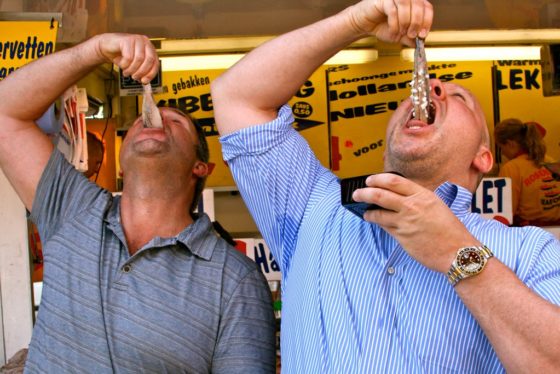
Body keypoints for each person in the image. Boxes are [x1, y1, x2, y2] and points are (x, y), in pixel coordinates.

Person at [210, 0, 560, 372]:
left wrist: (458, 252)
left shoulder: (529, 251)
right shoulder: (312, 207)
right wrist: (353, 22)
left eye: (459, 98)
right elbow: (238, 96)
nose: (433, 88)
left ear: (483, 157)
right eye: (424, 90)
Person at [0, 34, 276, 373]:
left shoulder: (234, 279)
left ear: (200, 167)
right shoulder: (72, 209)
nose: (153, 118)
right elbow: (5, 113)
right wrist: (95, 50)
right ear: (120, 162)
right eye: (140, 122)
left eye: (175, 122)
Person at [494, 118, 560, 226]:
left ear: (510, 144)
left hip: (533, 234)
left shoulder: (511, 168)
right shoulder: (549, 160)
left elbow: (506, 213)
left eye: (501, 148)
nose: (502, 154)